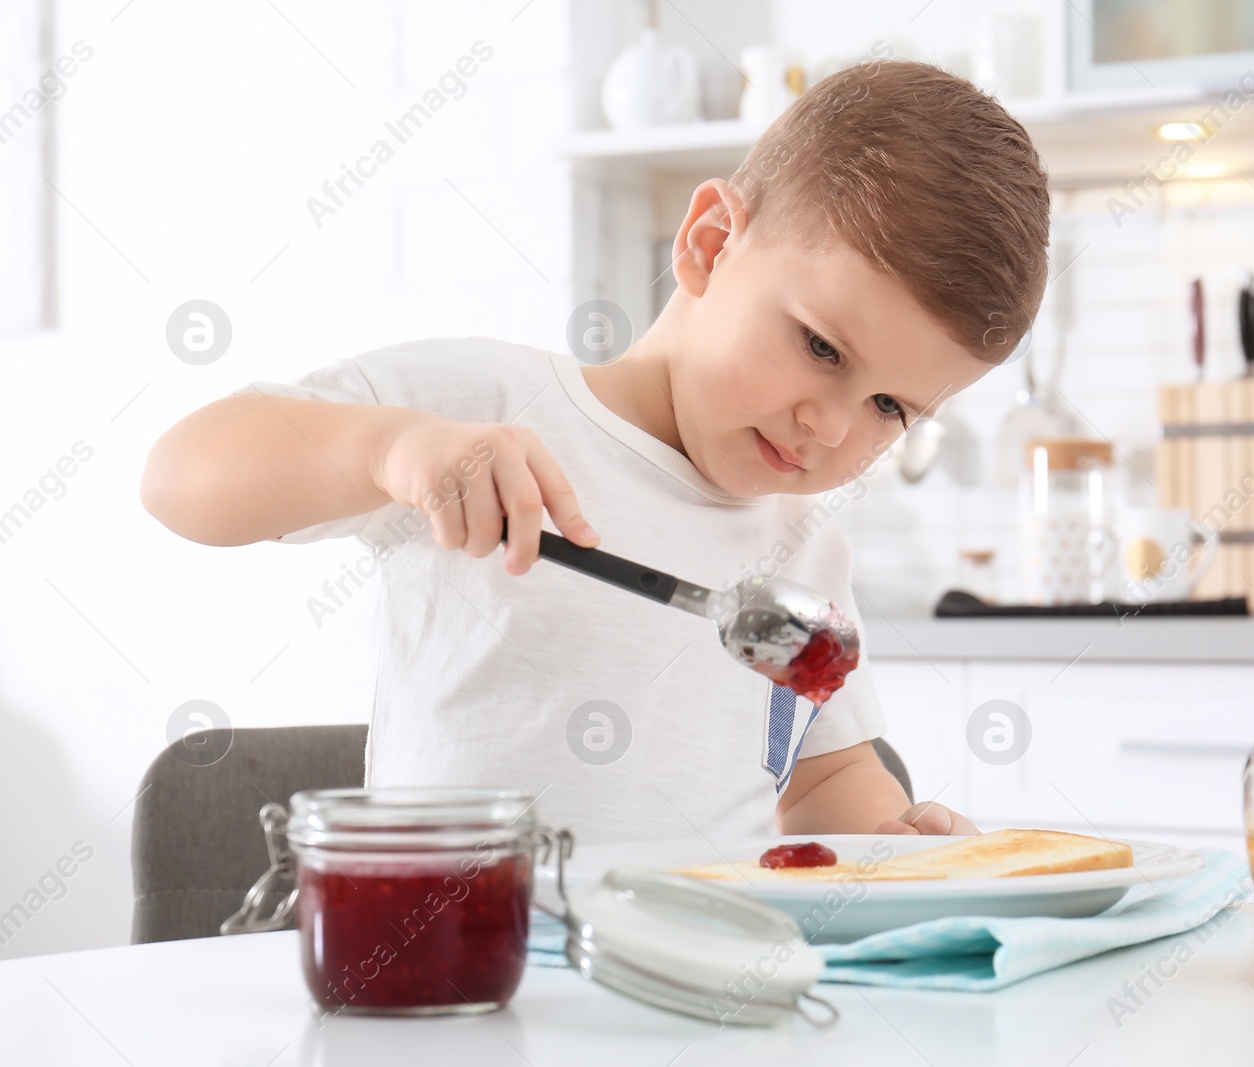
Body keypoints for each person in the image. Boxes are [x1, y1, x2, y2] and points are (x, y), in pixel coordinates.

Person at [141, 58, 1051, 845]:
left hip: (693, 993)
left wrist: (896, 847)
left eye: (890, 406)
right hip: (458, 985)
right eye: (821, 347)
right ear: (710, 244)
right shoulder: (483, 412)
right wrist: (391, 449)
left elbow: (819, 781)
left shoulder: (805, 552)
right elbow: (180, 477)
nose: (832, 427)